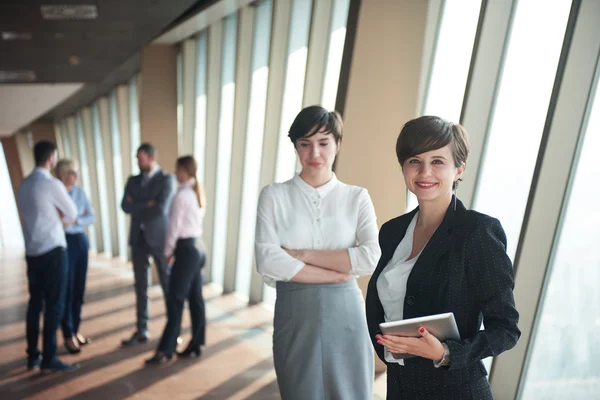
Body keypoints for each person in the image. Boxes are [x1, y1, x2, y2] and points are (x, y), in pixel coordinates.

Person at [365, 116, 520, 399]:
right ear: (404, 167)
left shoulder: (478, 233)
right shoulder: (392, 231)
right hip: (400, 386)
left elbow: (506, 329)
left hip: (456, 389)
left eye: (437, 161)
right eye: (415, 160)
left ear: (459, 169)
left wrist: (447, 353)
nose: (425, 172)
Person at [255, 106, 381, 399]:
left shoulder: (356, 197)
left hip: (346, 313)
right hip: (294, 314)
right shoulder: (274, 195)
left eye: (324, 143)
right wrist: (336, 272)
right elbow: (267, 259)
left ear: (337, 144)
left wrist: (301, 254)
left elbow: (371, 257)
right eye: (305, 143)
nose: (315, 153)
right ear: (295, 146)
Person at [17, 141, 79, 373]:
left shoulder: (24, 185)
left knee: (35, 305)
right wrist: (58, 214)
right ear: (51, 158)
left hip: (33, 252)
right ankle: (49, 359)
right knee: (54, 306)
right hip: (53, 250)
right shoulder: (52, 184)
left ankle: (33, 356)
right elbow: (72, 213)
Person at [145, 155, 207, 364]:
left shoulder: (182, 195)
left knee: (175, 300)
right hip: (198, 248)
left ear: (185, 170)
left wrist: (167, 252)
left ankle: (166, 349)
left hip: (186, 250)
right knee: (196, 298)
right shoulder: (197, 192)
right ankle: (196, 343)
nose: (175, 173)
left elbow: (174, 227)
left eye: (178, 169)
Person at [121, 143, 175, 346]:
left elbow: (161, 209)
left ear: (152, 158)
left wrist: (137, 205)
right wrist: (146, 204)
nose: (138, 162)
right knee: (140, 287)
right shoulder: (132, 180)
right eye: (137, 158)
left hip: (159, 240)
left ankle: (172, 331)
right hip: (138, 239)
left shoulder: (166, 179)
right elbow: (125, 206)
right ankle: (141, 329)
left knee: (166, 284)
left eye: (140, 159)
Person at [55, 159, 95, 354]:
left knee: (79, 288)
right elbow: (58, 220)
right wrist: (74, 220)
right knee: (67, 289)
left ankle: (76, 329)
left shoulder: (80, 192)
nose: (76, 176)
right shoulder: (56, 192)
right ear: (62, 174)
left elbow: (91, 217)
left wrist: (75, 220)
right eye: (72, 172)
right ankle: (68, 333)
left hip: (80, 240)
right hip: (64, 243)